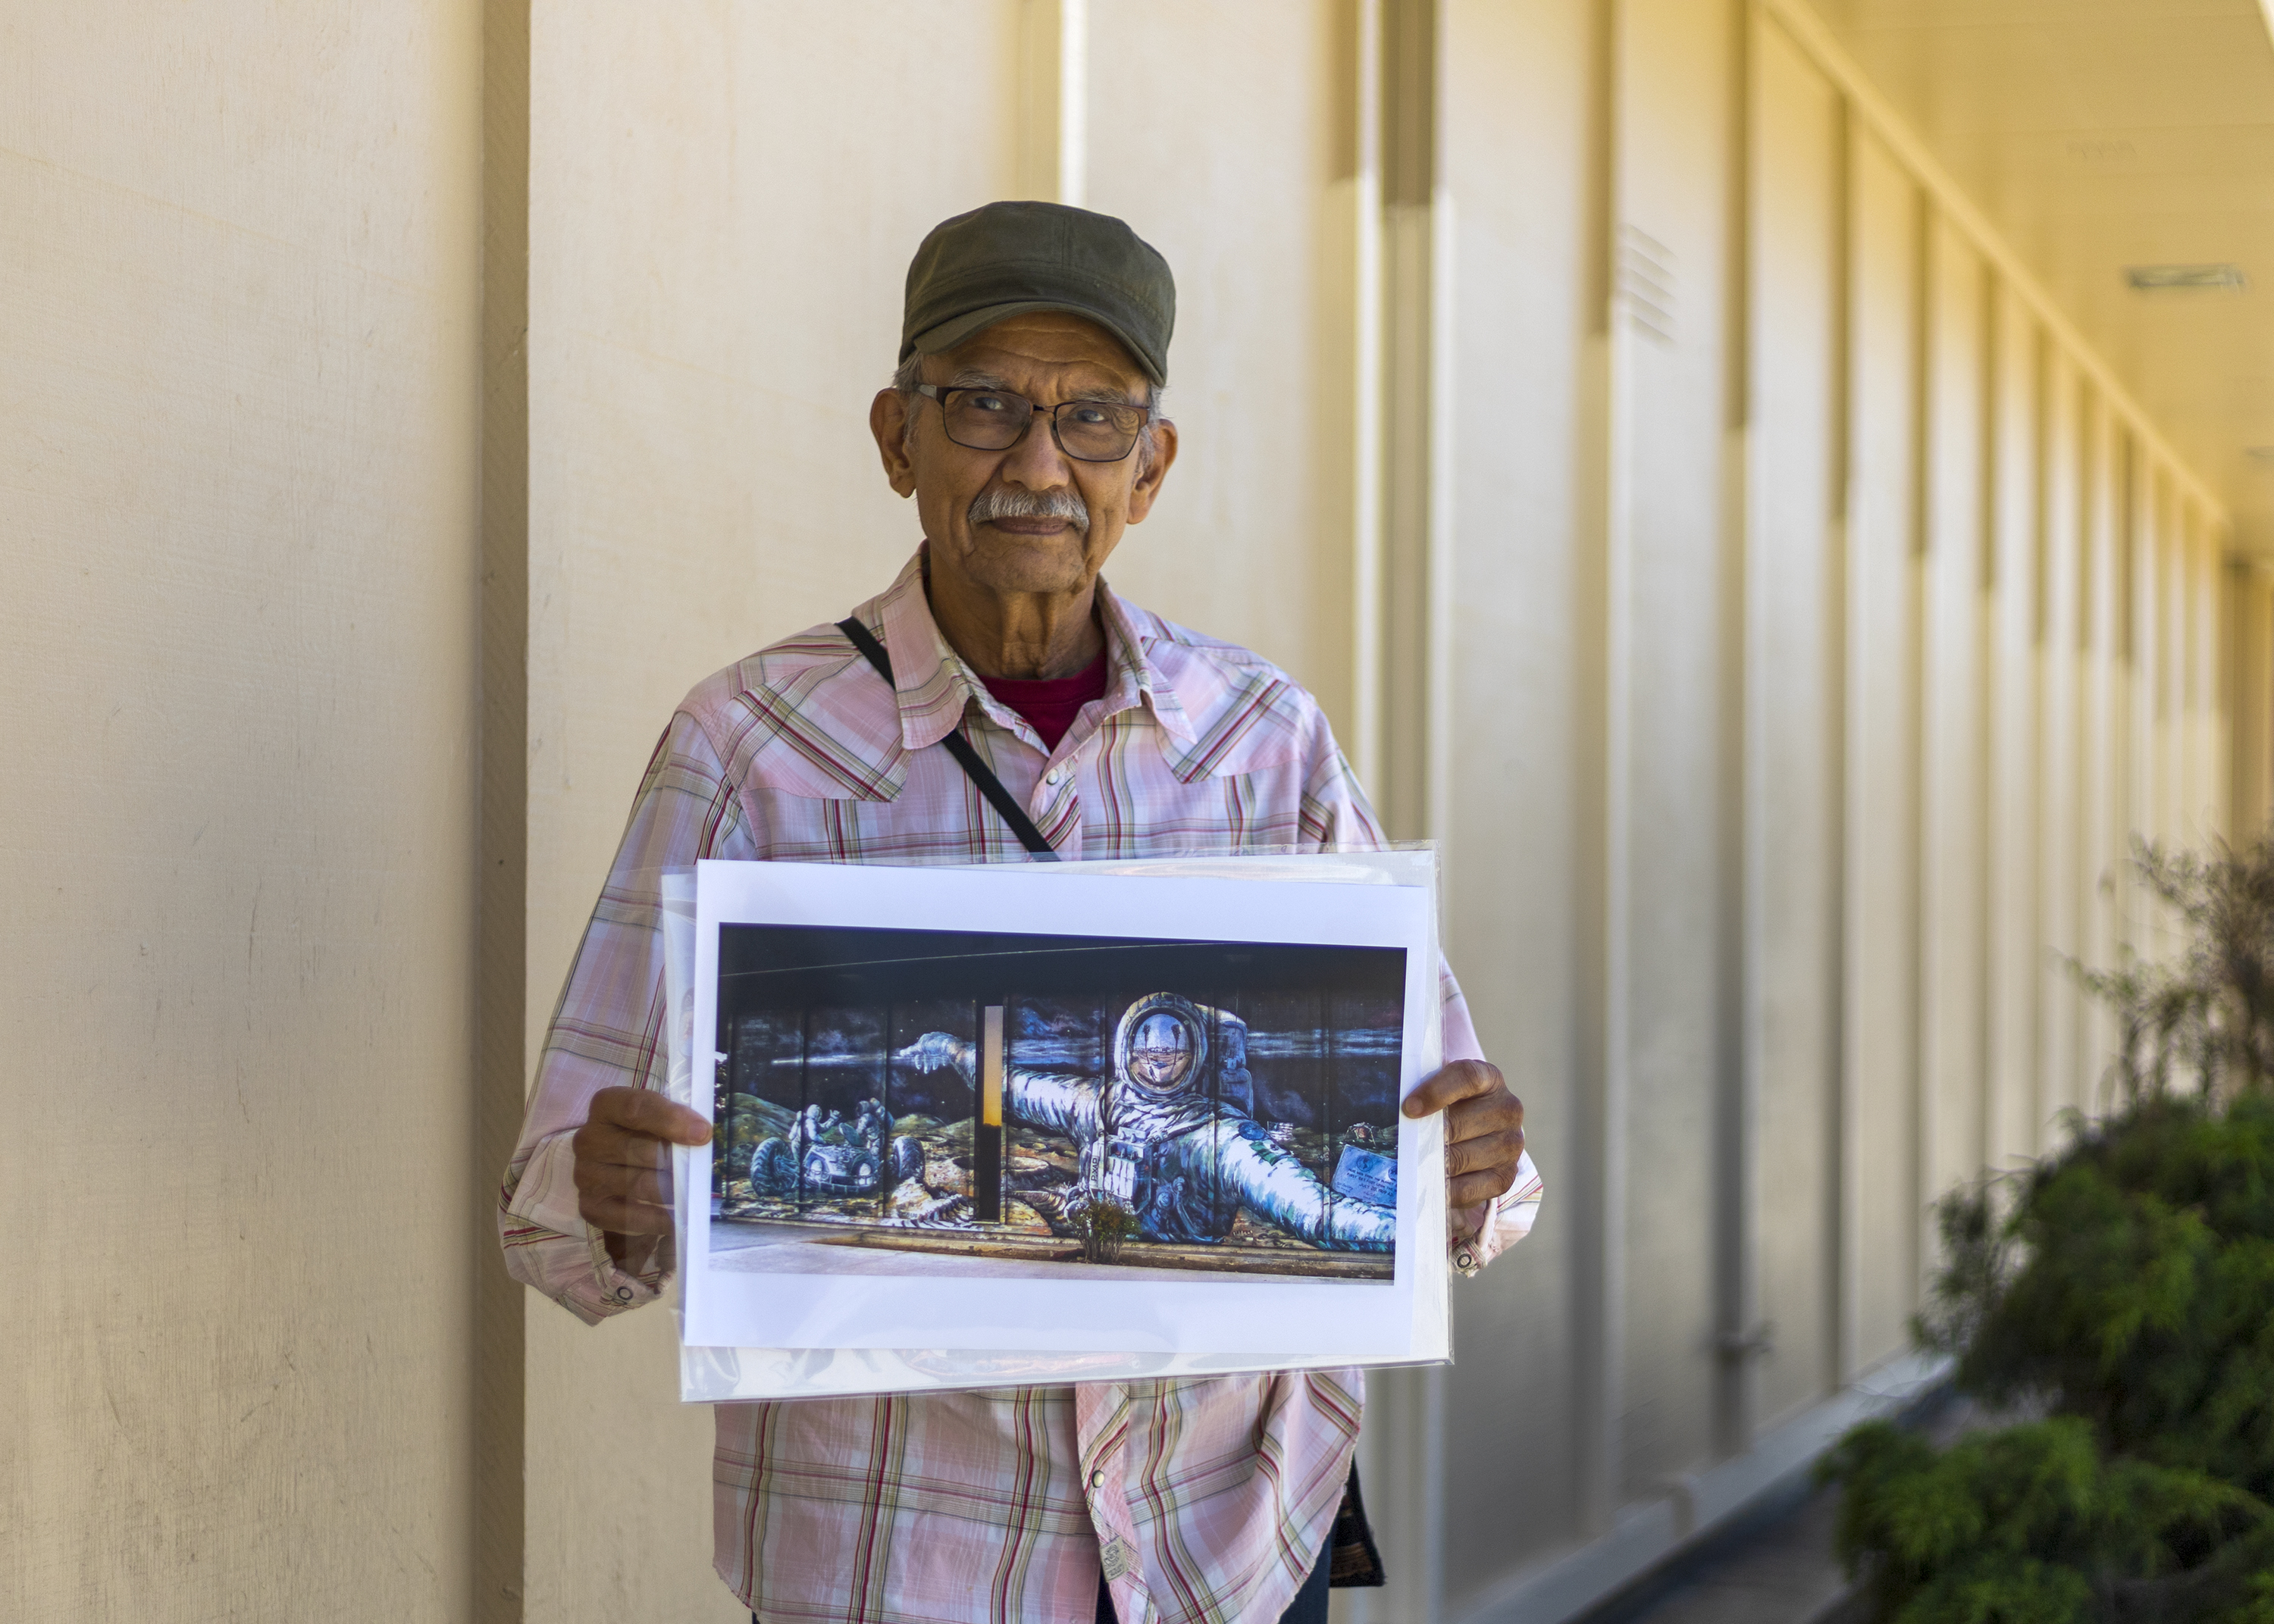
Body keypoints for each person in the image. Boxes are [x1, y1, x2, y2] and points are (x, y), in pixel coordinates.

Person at [498, 200, 1544, 1624]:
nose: (1040, 463)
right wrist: (611, 1195)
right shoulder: (751, 744)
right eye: (985, 404)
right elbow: (552, 1200)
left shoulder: (1263, 741)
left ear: (1151, 467)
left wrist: (1475, 1172)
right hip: (900, 1567)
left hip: (1225, 1550)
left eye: (1094, 418)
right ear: (897, 436)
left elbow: (1446, 1145)